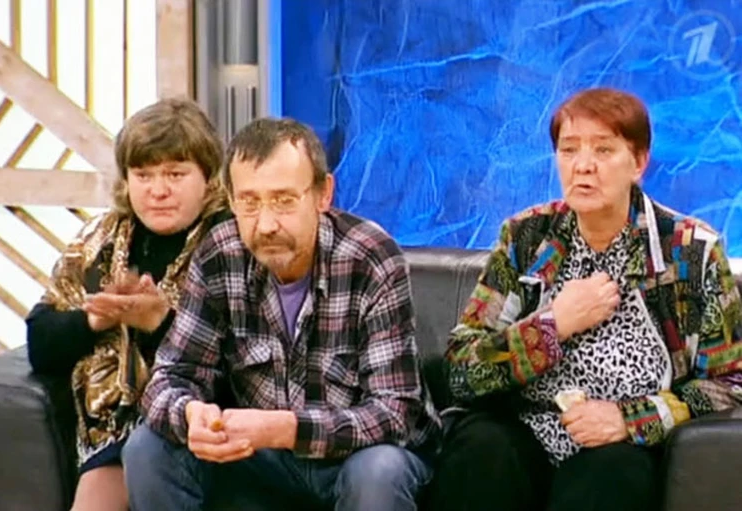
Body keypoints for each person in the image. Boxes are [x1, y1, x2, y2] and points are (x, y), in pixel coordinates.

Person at [428, 87, 742, 511]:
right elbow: (461, 369)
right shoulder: (526, 238)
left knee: (608, 478)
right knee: (481, 451)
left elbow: (729, 383)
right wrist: (551, 326)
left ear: (639, 162)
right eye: (569, 149)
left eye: (604, 149)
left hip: (621, 448)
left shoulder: (690, 250)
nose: (583, 165)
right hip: (521, 429)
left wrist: (631, 420)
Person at [121, 117, 441, 511]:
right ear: (231, 200)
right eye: (249, 202)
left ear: (323, 194)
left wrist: (286, 429)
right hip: (259, 459)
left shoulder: (370, 257)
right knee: (147, 447)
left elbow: (396, 412)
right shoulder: (219, 254)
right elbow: (168, 378)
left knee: (378, 471)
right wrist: (191, 415)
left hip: (353, 459)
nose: (266, 224)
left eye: (284, 200)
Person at [25, 98, 228, 511]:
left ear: (208, 178)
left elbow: (251, 361)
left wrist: (161, 323)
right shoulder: (101, 240)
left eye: (175, 174)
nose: (158, 190)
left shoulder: (232, 242)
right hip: (113, 428)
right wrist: (95, 320)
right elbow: (40, 345)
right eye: (143, 175)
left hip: (212, 420)